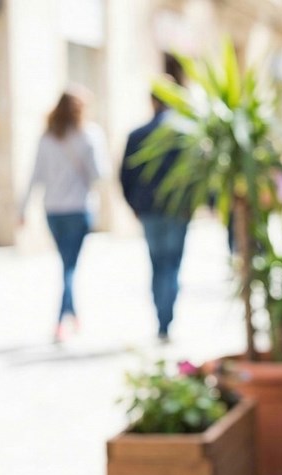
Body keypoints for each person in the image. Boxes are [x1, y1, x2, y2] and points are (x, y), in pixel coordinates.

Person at [21, 86, 108, 342]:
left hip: (53, 211)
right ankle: (61, 320)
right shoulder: (89, 135)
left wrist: (23, 208)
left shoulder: (47, 138)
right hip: (79, 209)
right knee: (69, 266)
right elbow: (99, 174)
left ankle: (73, 314)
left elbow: (34, 176)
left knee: (66, 263)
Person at [120, 87, 192, 343]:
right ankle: (166, 320)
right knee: (172, 264)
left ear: (152, 101)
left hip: (150, 210)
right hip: (178, 210)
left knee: (157, 263)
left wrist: (135, 206)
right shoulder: (185, 134)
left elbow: (125, 176)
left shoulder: (138, 134)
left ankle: (162, 320)